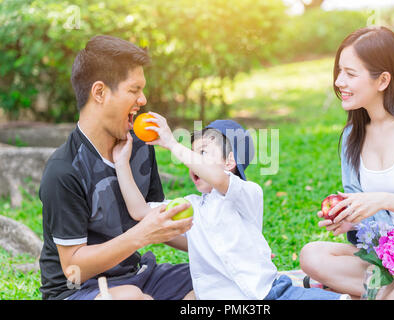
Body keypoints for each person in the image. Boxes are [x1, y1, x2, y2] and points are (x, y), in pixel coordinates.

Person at [113, 114, 350, 300]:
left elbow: (218, 178)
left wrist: (173, 144)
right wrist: (121, 163)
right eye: (192, 154)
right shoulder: (191, 206)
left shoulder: (246, 194)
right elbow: (140, 212)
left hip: (271, 294)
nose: (192, 162)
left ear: (230, 162)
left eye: (202, 152)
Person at [38, 35, 194, 300]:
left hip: (138, 275)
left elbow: (157, 221)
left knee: (214, 279)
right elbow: (74, 267)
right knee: (131, 297)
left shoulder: (141, 149)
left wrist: (225, 250)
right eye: (134, 90)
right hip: (77, 290)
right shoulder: (63, 171)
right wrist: (141, 235)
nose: (143, 99)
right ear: (99, 92)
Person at [299, 26, 394, 299]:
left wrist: (383, 199)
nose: (339, 82)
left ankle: (376, 293)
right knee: (312, 255)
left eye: (350, 74)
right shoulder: (351, 138)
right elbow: (372, 224)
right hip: (391, 260)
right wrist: (351, 222)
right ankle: (391, 291)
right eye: (339, 71)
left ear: (382, 80)